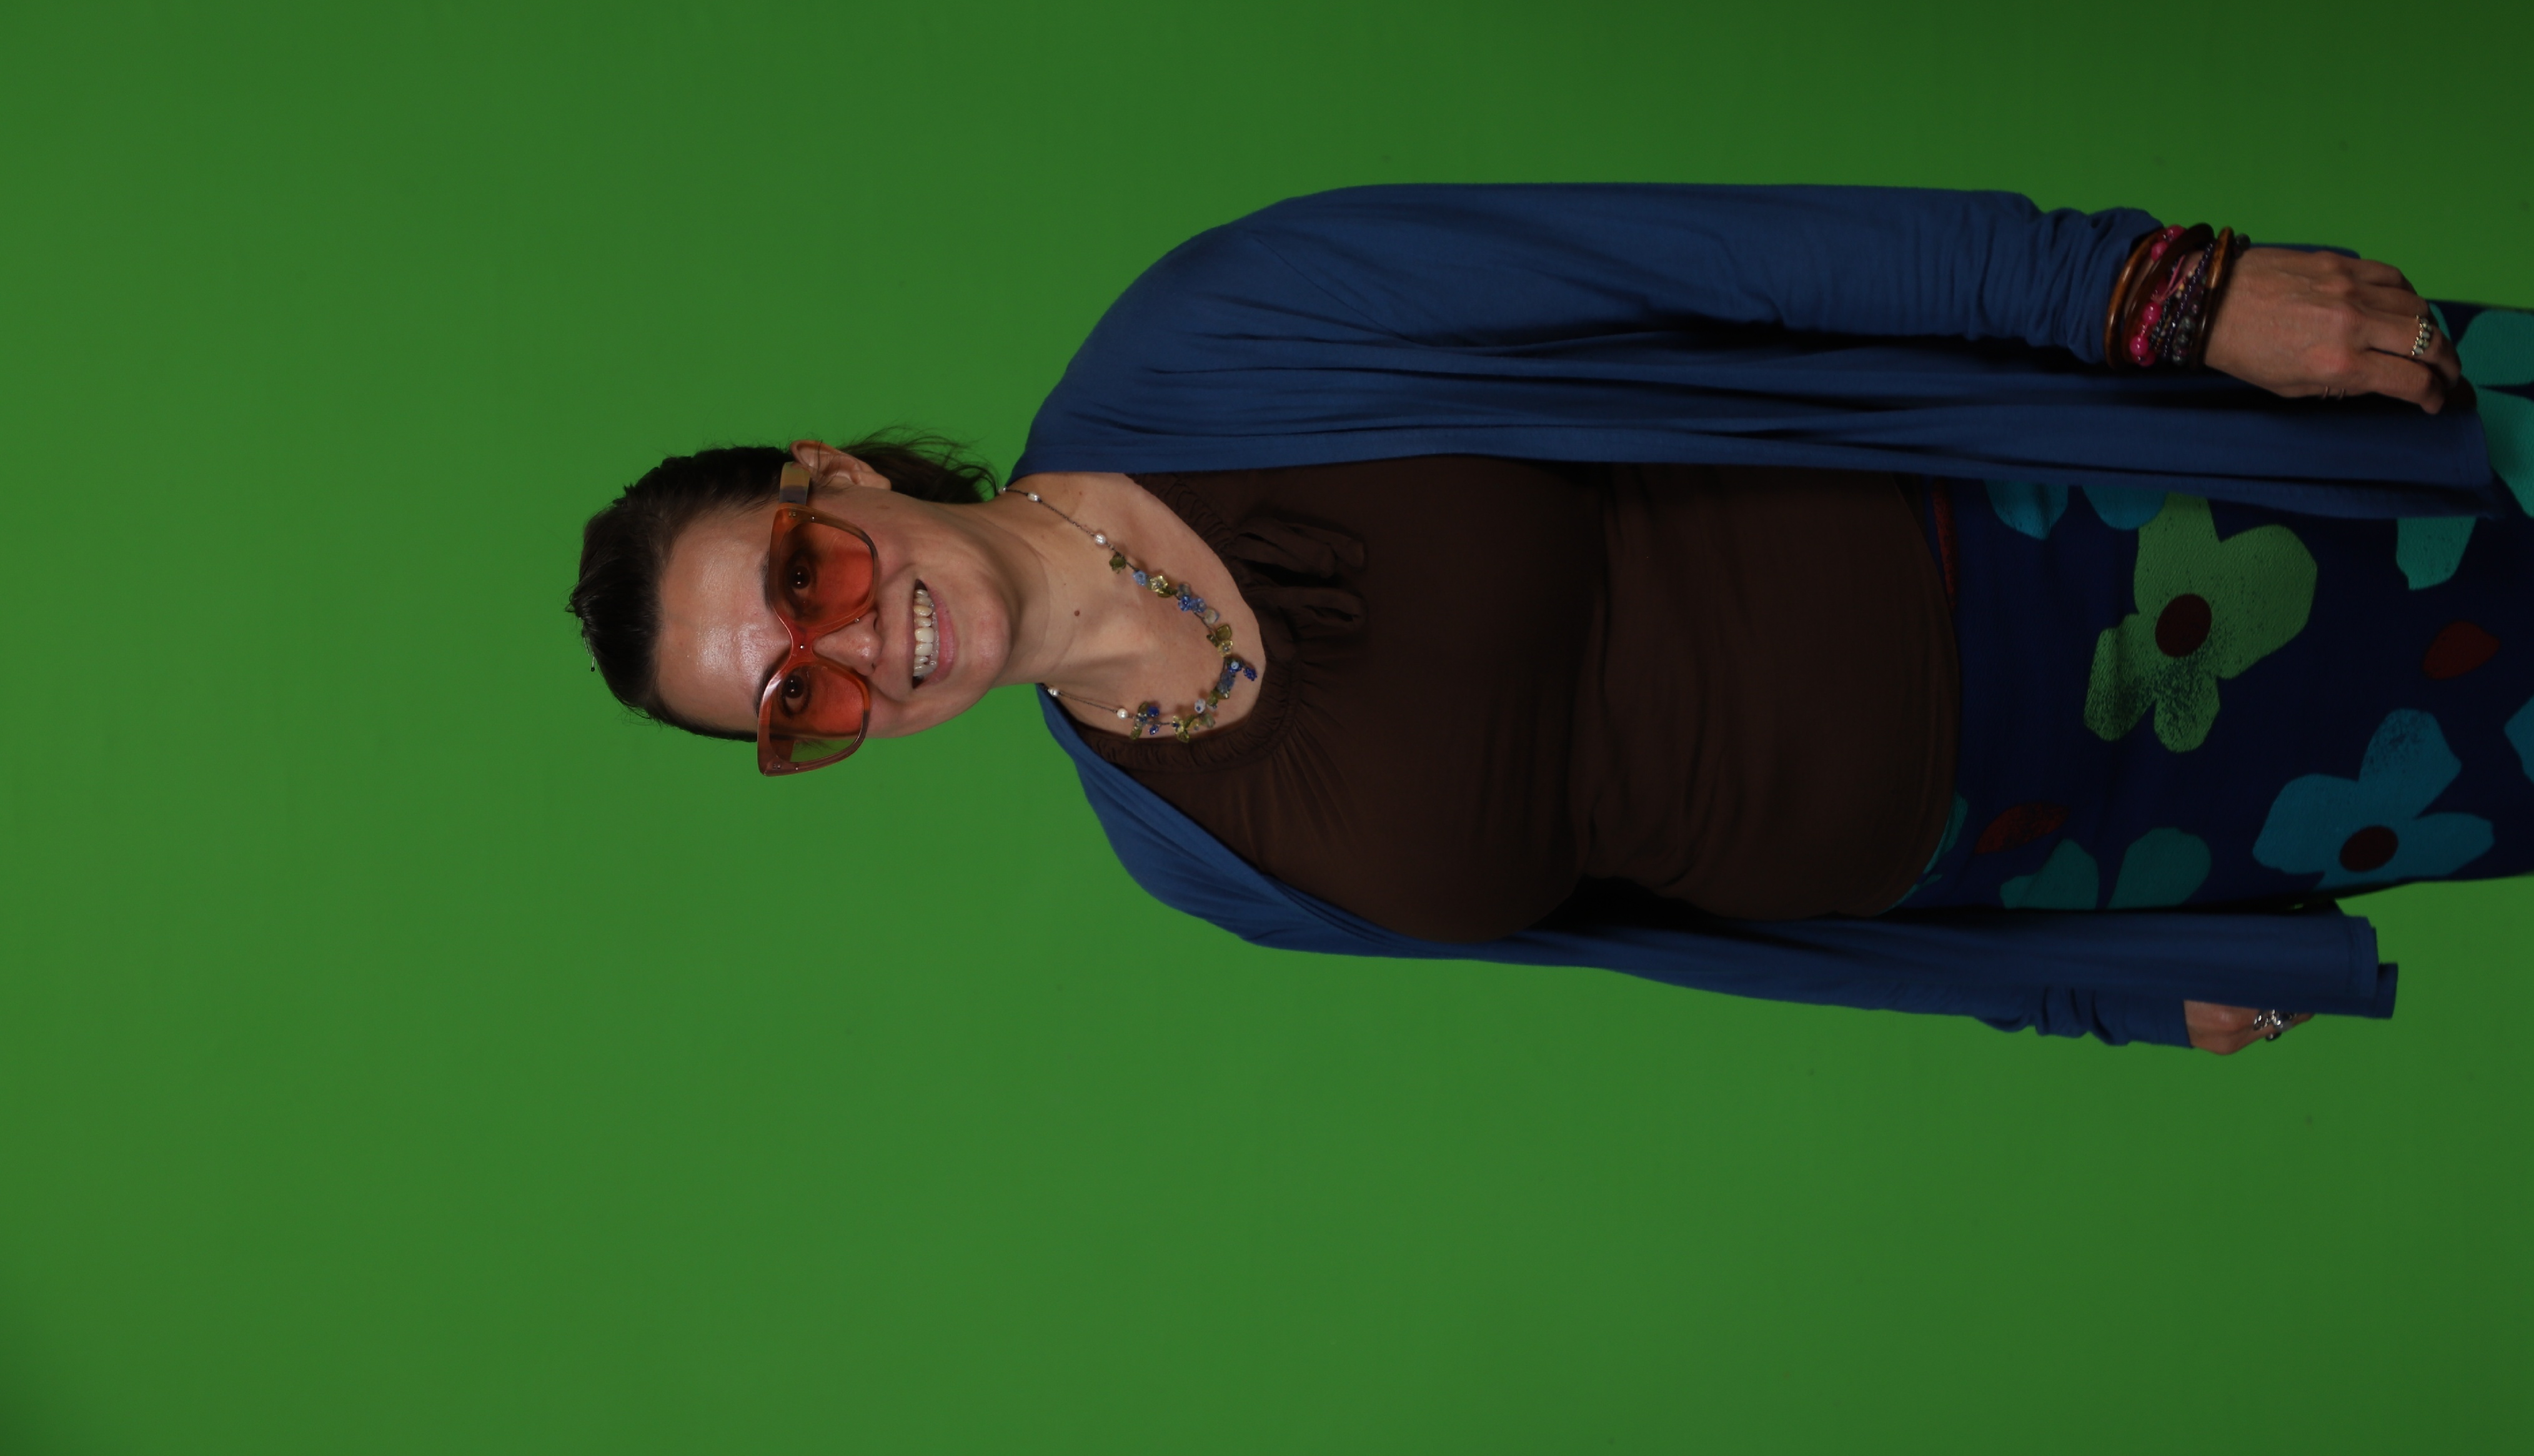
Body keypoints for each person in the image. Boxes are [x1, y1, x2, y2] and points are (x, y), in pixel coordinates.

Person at [569, 186, 2534, 1054]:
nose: (856, 651)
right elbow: (1690, 939)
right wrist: (2094, 987)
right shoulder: (1194, 860)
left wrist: (2159, 294)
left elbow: (1745, 257)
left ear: (835, 475)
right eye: (797, 703)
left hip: (2097, 520)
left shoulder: (1219, 332)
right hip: (2088, 843)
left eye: (804, 579)